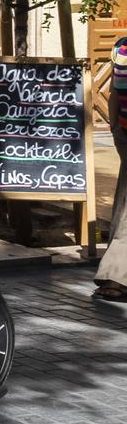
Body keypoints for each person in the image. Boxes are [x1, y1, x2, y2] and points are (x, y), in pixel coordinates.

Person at [92, 35, 127, 301]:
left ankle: (113, 273)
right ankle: (115, 275)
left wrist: (116, 128)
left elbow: (114, 92)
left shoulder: (121, 46)